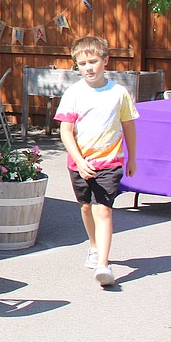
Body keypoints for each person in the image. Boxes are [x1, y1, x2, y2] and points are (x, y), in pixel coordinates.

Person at [54, 35, 138, 288]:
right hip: (81, 163)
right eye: (82, 63)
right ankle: (93, 245)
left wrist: (132, 158)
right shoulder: (74, 93)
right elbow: (66, 131)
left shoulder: (118, 93)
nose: (88, 67)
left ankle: (103, 264)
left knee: (103, 209)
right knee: (86, 207)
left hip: (110, 161)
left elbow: (129, 127)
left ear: (105, 61)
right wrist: (79, 161)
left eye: (93, 61)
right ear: (76, 66)